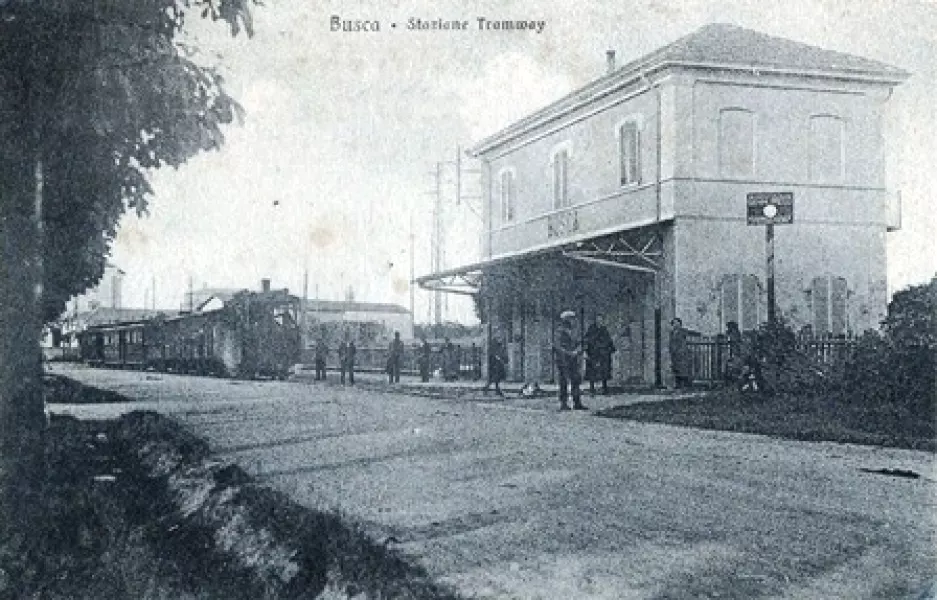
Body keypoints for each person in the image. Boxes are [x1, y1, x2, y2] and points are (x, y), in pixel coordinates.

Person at [554, 310, 586, 410]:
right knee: (563, 381)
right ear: (566, 320)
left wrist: (578, 350)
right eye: (571, 318)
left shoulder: (574, 331)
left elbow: (579, 342)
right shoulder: (560, 331)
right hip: (563, 359)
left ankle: (577, 402)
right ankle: (563, 403)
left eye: (573, 318)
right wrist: (569, 353)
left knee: (576, 380)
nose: (573, 320)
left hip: (573, 359)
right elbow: (558, 346)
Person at [584, 315, 616, 395]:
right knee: (592, 372)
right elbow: (587, 340)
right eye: (598, 319)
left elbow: (608, 340)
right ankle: (592, 389)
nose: (599, 321)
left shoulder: (604, 329)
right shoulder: (591, 329)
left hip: (603, 353)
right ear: (595, 320)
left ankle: (605, 389)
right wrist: (586, 351)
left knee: (604, 371)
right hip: (593, 353)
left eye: (601, 320)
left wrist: (611, 349)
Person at [669, 317, 690, 389]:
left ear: (680, 323)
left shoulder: (683, 331)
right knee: (676, 368)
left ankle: (684, 385)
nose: (675, 324)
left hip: (681, 353)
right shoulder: (672, 333)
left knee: (683, 369)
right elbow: (671, 342)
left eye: (676, 322)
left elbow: (689, 335)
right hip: (674, 354)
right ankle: (677, 385)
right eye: (674, 323)